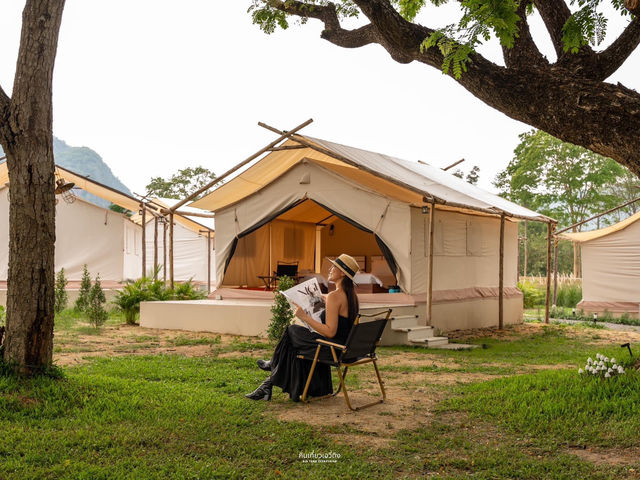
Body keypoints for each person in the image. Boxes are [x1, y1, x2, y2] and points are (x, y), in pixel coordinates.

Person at [245, 253, 360, 402]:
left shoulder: (335, 296)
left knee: (291, 331)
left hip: (332, 349)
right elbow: (336, 314)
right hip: (345, 349)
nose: (330, 269)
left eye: (334, 267)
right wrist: (320, 297)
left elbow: (330, 332)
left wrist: (304, 317)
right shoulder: (350, 295)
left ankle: (272, 368)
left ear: (342, 273)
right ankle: (269, 383)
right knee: (294, 344)